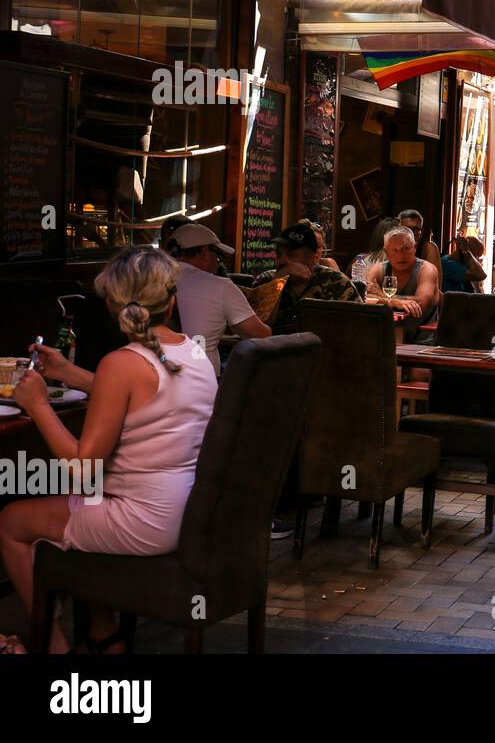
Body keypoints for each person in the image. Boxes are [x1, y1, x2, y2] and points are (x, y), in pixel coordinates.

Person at [0, 247, 217, 654]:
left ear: (114, 307)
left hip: (143, 520)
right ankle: (104, 637)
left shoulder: (123, 363)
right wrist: (67, 372)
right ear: (170, 301)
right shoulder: (192, 350)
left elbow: (83, 467)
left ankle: (54, 646)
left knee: (12, 522)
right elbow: (143, 397)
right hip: (184, 510)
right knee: (82, 505)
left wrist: (38, 405)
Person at [167, 223, 269, 375]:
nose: (218, 263)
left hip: (153, 376)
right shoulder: (220, 286)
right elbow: (260, 335)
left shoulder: (149, 281)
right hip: (201, 381)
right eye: (218, 257)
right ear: (205, 252)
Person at [253, 222, 360, 333]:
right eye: (278, 254)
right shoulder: (266, 280)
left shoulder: (337, 283)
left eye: (291, 255)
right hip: (274, 348)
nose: (281, 261)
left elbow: (360, 328)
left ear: (311, 258)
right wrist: (277, 283)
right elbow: (256, 329)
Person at [365, 226, 441, 343]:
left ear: (414, 247)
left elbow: (420, 303)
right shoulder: (378, 269)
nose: (401, 255)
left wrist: (383, 297)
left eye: (406, 248)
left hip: (423, 343)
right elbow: (365, 297)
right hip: (385, 341)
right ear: (386, 252)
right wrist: (391, 301)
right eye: (395, 250)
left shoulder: (426, 270)